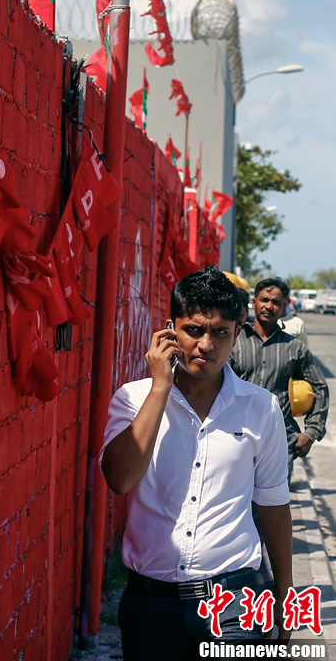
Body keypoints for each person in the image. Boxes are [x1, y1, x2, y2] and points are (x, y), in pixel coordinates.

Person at [102, 266, 292, 658]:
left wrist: (285, 596)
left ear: (237, 334)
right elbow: (119, 479)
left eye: (220, 332)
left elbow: (273, 503)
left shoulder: (261, 408)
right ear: (171, 330)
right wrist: (160, 388)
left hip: (235, 601)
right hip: (151, 604)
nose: (206, 344)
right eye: (194, 330)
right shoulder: (133, 399)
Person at [229, 276, 328, 484]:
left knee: (272, 508)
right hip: (236, 437)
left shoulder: (295, 347)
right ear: (254, 301)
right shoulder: (233, 341)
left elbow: (319, 387)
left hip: (280, 441)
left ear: (284, 308)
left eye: (276, 303)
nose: (269, 306)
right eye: (264, 300)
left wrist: (311, 432)